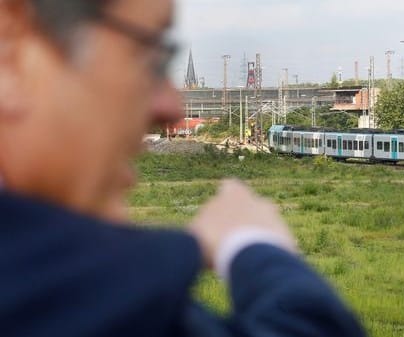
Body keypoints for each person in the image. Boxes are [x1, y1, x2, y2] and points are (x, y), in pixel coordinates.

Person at [0, 1, 366, 336]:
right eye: (148, 55)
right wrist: (254, 246)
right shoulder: (94, 300)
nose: (172, 107)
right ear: (11, 50)